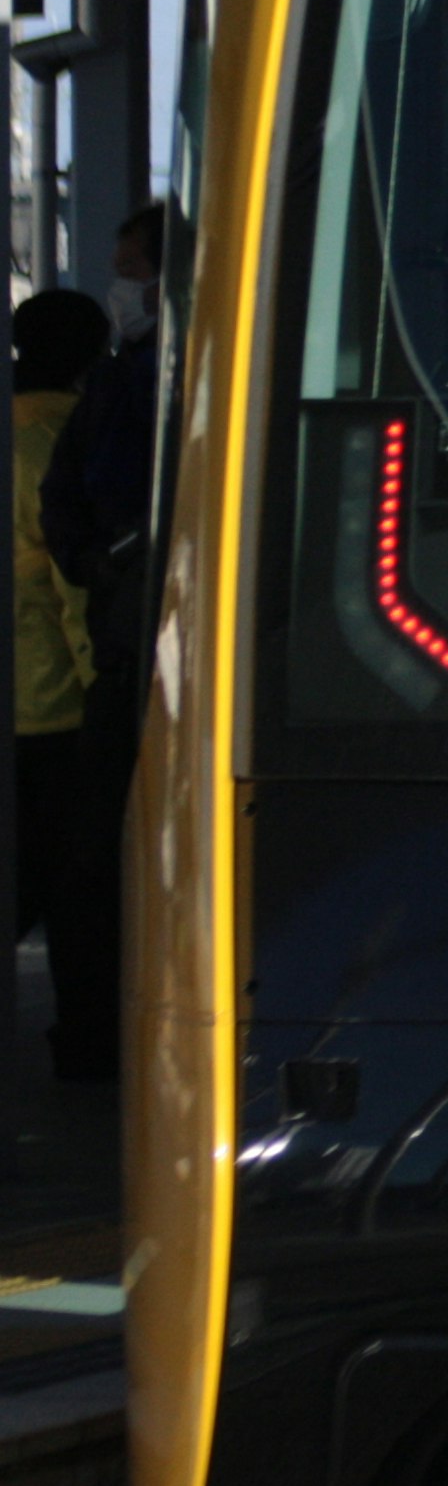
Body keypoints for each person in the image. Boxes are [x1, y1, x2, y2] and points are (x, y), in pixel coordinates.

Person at [41, 202, 176, 1081]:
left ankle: (96, 1041)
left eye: (132, 272)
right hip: (125, 644)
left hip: (119, 657)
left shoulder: (138, 382)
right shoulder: (125, 380)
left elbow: (68, 508)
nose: (123, 289)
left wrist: (100, 566)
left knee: (92, 863)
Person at [11, 288, 108, 1071]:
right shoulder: (58, 441)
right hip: (51, 703)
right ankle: (84, 1039)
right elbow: (71, 584)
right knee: (74, 880)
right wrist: (102, 678)